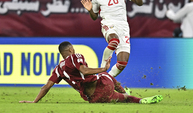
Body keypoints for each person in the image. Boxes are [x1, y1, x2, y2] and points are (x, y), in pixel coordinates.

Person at [19, 41, 163, 104]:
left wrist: (34, 101)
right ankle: (131, 95)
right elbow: (84, 70)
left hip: (94, 98)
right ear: (70, 50)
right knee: (106, 75)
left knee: (122, 99)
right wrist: (103, 69)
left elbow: (46, 87)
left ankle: (131, 96)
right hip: (101, 86)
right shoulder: (75, 56)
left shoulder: (58, 69)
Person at [80, 0, 143, 77]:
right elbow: (94, 17)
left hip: (123, 26)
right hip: (108, 24)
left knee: (122, 63)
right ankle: (102, 68)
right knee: (114, 41)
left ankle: (104, 79)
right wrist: (90, 10)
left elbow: (139, 3)